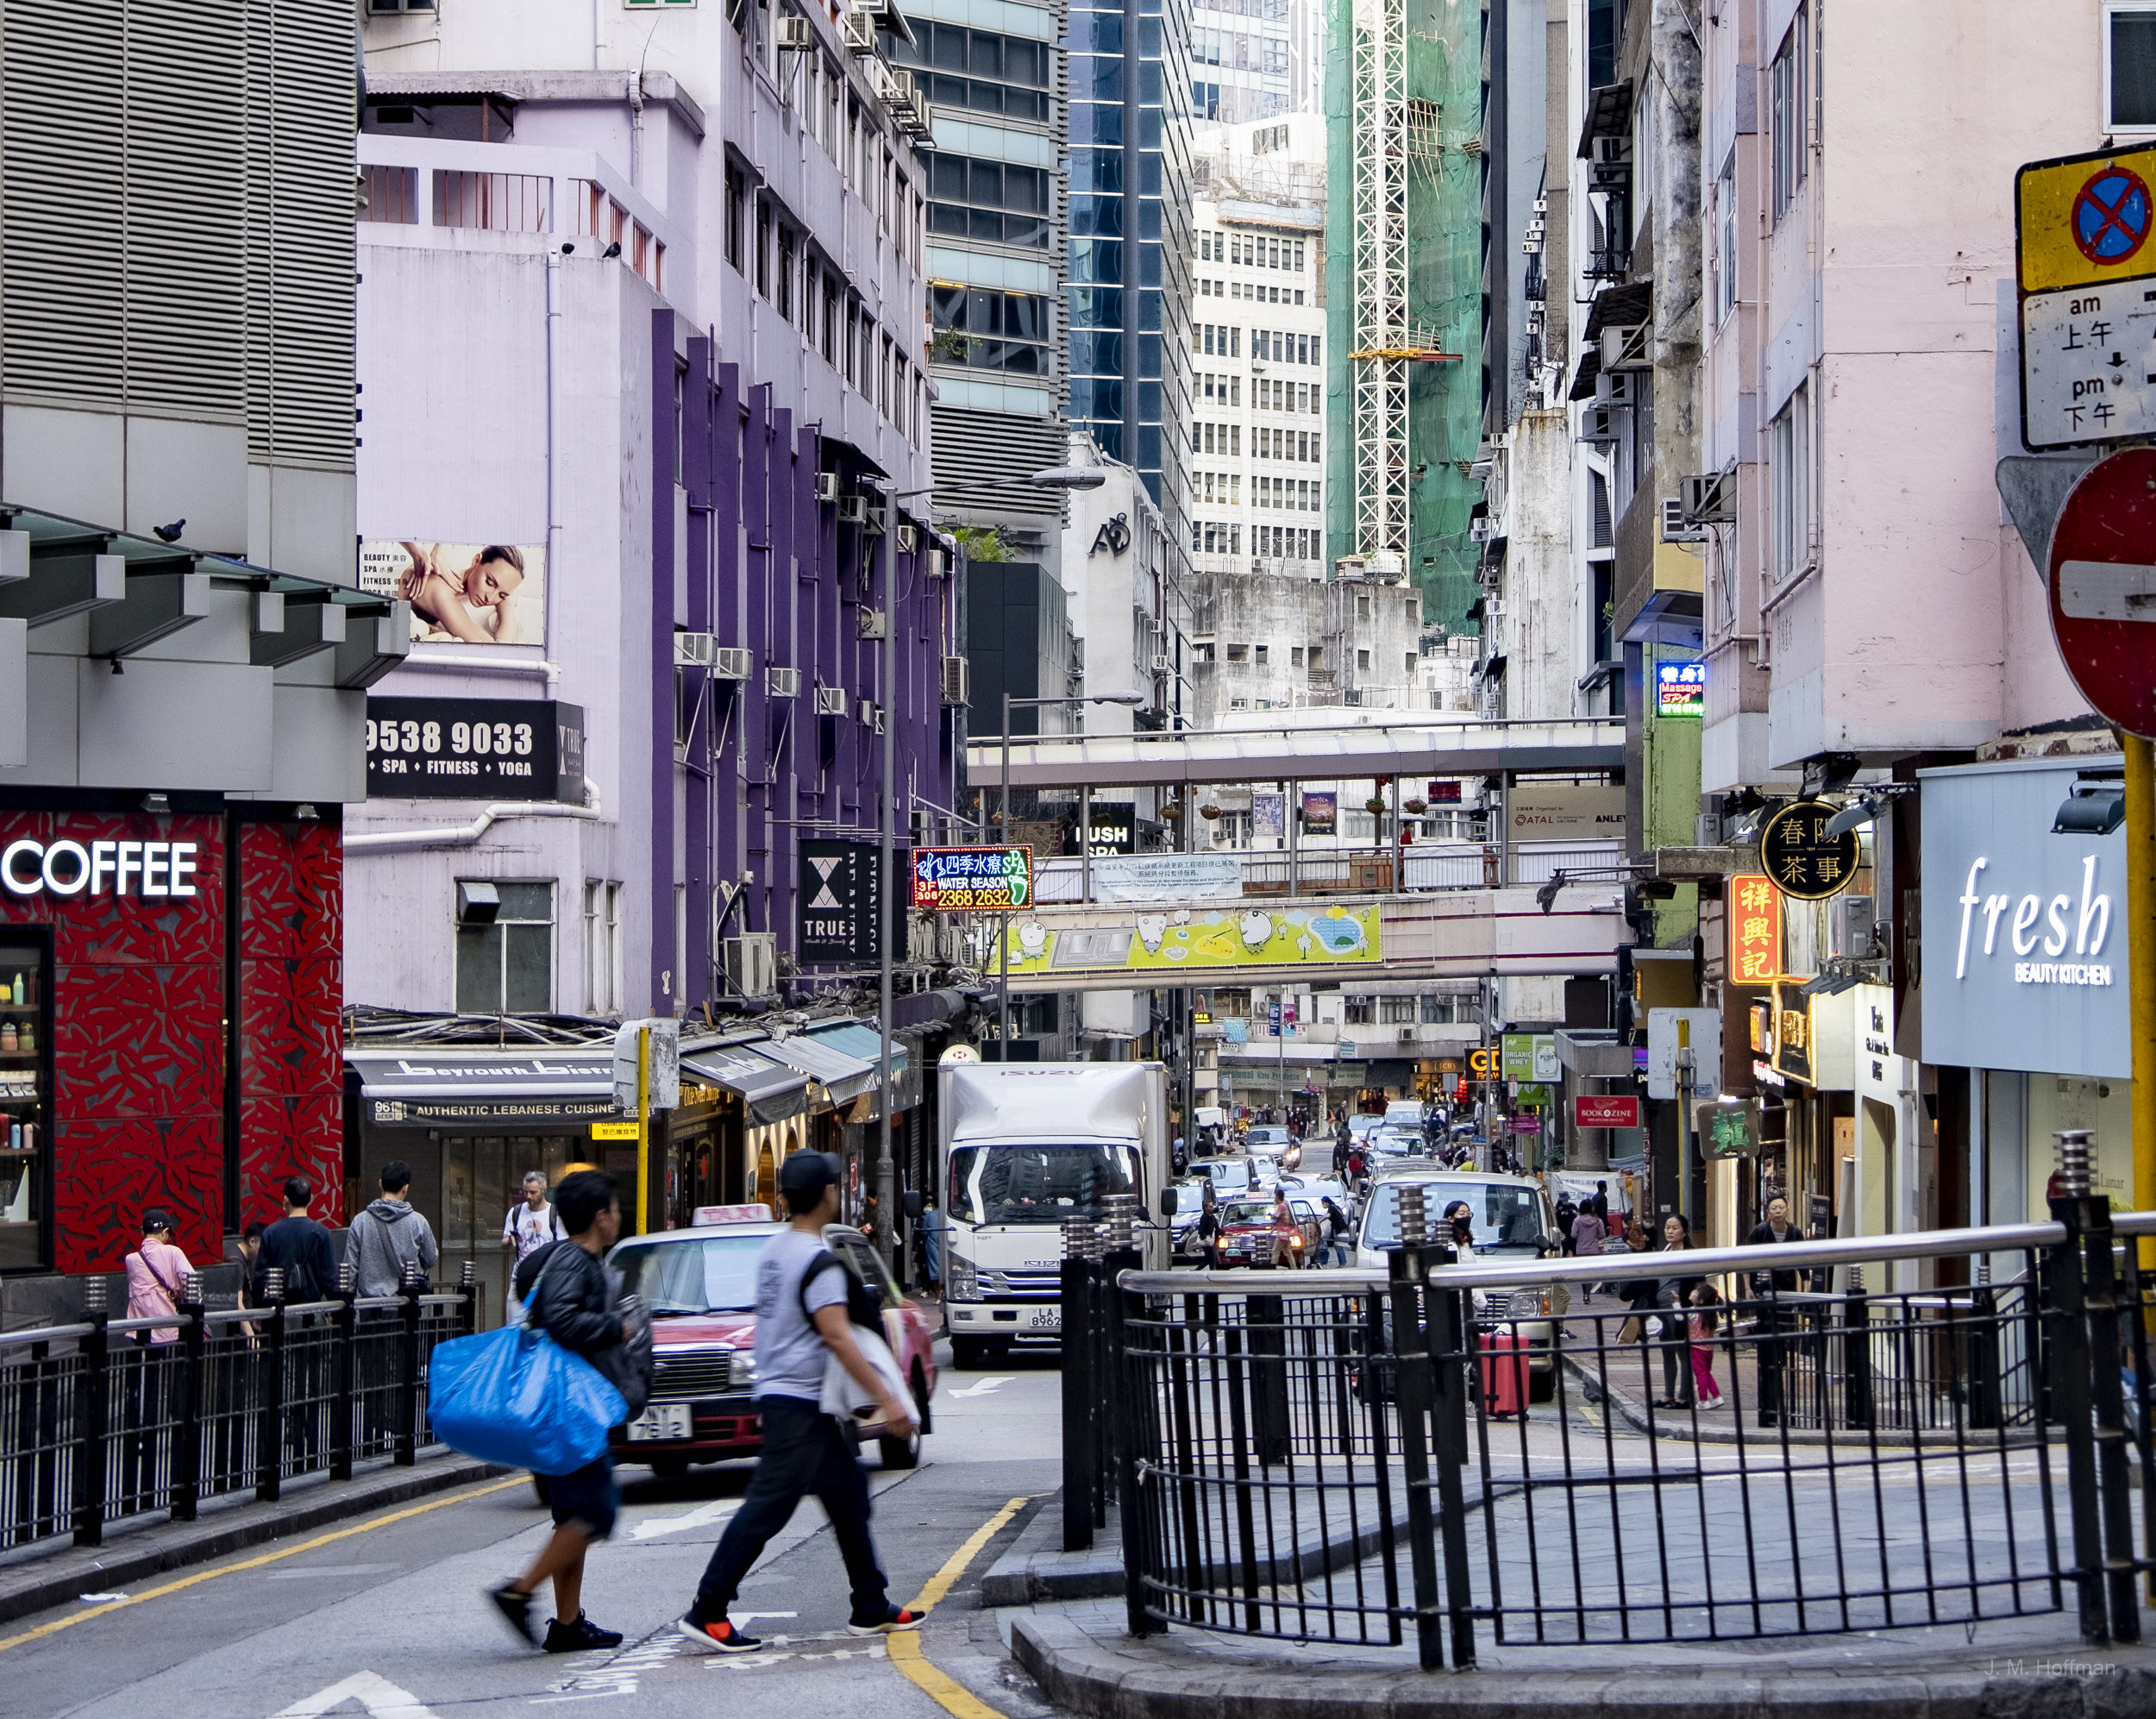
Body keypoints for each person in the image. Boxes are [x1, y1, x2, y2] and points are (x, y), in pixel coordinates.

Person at [677, 1151, 924, 1653]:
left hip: (786, 1396)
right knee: (767, 1508)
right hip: (801, 1404)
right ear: (829, 1194)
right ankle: (708, 1610)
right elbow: (836, 1336)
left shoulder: (774, 1251)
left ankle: (870, 1603)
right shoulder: (820, 1264)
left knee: (849, 1495)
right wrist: (888, 1402)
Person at [489, 1170, 632, 1655]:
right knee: (596, 1512)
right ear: (600, 1217)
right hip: (567, 1409)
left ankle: (568, 1624)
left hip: (571, 1407)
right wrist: (616, 1327)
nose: (619, 1217)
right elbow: (566, 1321)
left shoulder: (576, 1259)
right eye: (614, 1209)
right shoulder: (574, 1260)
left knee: (573, 1515)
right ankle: (518, 1592)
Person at [1745, 1194, 1806, 1427]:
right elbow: (1745, 1260)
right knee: (1767, 1341)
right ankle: (1770, 1388)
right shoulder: (1760, 1232)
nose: (1778, 1210)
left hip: (1787, 1293)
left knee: (1783, 1339)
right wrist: (1748, 1287)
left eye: (1781, 1207)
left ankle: (1777, 1374)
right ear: (1768, 1211)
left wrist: (1804, 1291)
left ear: (1788, 1210)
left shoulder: (1795, 1233)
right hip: (1765, 1293)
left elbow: (1803, 1263)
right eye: (1774, 1207)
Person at [398, 541, 528, 644]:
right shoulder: (439, 591)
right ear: (476, 561)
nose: (490, 598)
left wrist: (506, 600)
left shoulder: (459, 587)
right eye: (490, 582)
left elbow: (508, 644)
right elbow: (498, 650)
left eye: (501, 595)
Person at [347, 1160, 440, 1298]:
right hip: (407, 1304)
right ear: (406, 1188)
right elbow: (431, 1258)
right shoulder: (418, 1222)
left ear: (380, 1184)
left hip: (369, 1305)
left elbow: (351, 1268)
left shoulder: (360, 1221)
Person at [259, 1176, 335, 1302]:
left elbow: (260, 1278)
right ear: (311, 1198)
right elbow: (329, 1278)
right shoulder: (322, 1233)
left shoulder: (271, 1233)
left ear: (285, 1199)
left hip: (278, 1312)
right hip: (311, 1309)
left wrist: (260, 1310)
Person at [123, 1209, 191, 1344]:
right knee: (170, 1363)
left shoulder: (131, 1259)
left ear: (142, 1232)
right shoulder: (173, 1252)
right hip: (168, 1327)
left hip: (139, 1329)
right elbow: (191, 1281)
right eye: (169, 1234)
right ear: (165, 1232)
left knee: (142, 1364)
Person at [503, 1171, 564, 1316]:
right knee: (514, 1324)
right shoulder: (516, 1212)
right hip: (520, 1277)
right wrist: (513, 1239)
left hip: (545, 1278)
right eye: (526, 1191)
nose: (529, 1196)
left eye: (533, 1192)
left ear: (543, 1190)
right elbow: (505, 1243)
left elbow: (563, 1247)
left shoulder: (554, 1214)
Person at [1688, 1283, 1726, 1409]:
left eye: (1696, 1291)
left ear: (1701, 1300)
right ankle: (1717, 1396)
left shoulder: (1694, 1313)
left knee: (1700, 1375)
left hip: (1697, 1349)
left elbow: (1678, 1316)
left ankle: (1703, 1400)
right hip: (1709, 1348)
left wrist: (1676, 1303)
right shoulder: (1710, 1313)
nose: (1693, 1291)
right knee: (1706, 1373)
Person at [1196, 1183, 1224, 1269]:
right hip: (1207, 1241)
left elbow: (1216, 1228)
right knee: (1210, 1258)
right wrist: (1205, 1239)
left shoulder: (1212, 1217)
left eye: (1212, 1207)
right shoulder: (1204, 1218)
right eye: (1210, 1207)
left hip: (1212, 1240)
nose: (1212, 1208)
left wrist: (1224, 1233)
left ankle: (1210, 1271)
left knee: (1211, 1258)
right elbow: (1201, 1230)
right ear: (1206, 1208)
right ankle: (1198, 1271)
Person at [1320, 1196, 1351, 1266]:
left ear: (1326, 1202)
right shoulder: (1335, 1206)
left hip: (1339, 1228)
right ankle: (1342, 1263)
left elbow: (1327, 1216)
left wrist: (1319, 1221)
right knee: (1338, 1245)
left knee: (1339, 1245)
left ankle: (1342, 1264)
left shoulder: (1331, 1207)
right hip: (1341, 1227)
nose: (1323, 1205)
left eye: (1323, 1203)